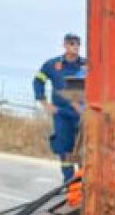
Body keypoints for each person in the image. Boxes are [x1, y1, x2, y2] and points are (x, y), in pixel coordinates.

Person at [33, 33, 86, 183]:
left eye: (77, 44)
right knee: (64, 149)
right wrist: (43, 102)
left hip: (81, 114)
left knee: (84, 149)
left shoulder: (86, 64)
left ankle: (84, 183)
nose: (74, 46)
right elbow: (38, 80)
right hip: (61, 114)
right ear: (64, 45)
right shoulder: (53, 65)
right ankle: (69, 183)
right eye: (71, 43)